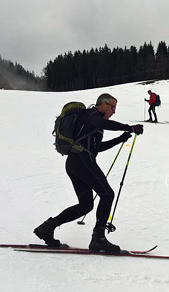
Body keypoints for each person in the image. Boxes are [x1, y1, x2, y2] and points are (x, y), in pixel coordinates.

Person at [34, 93, 144, 253]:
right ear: (103, 104)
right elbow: (102, 124)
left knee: (86, 205)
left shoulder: (94, 123)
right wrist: (129, 127)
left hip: (76, 163)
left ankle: (47, 228)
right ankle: (98, 238)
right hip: (81, 161)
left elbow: (97, 147)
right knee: (107, 194)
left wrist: (120, 139)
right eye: (112, 107)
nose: (114, 111)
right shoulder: (92, 114)